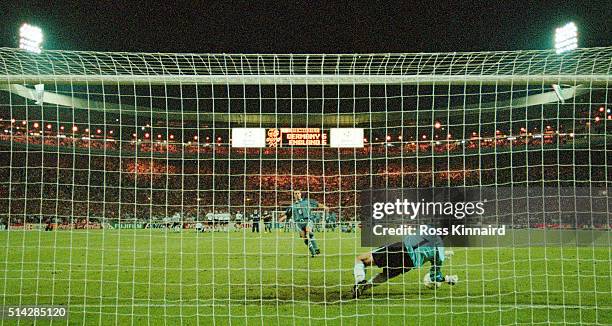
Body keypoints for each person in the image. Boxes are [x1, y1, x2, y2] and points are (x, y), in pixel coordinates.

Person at [352, 232, 457, 298]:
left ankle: (359, 280)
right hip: (408, 264)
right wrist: (446, 279)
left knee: (361, 259)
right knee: (386, 275)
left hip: (401, 249)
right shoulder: (440, 253)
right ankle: (364, 288)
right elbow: (435, 276)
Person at [279, 190, 328, 257]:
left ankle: (315, 246)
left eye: (298, 193)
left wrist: (324, 207)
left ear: (300, 194)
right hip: (299, 223)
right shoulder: (292, 206)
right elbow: (288, 214)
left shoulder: (307, 201)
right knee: (305, 237)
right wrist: (282, 217)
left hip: (308, 220)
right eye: (295, 193)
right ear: (294, 195)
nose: (297, 194)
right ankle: (313, 252)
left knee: (308, 231)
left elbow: (317, 204)